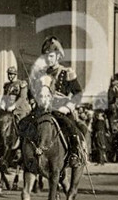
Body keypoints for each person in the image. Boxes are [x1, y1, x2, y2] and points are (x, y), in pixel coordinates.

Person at [31, 37, 85, 169]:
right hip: (45, 108)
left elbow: (78, 93)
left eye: (51, 56)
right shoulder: (41, 74)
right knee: (27, 124)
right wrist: (34, 100)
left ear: (58, 56)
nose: (48, 59)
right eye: (46, 56)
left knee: (71, 127)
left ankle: (74, 154)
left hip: (61, 109)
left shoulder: (67, 72)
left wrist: (68, 107)